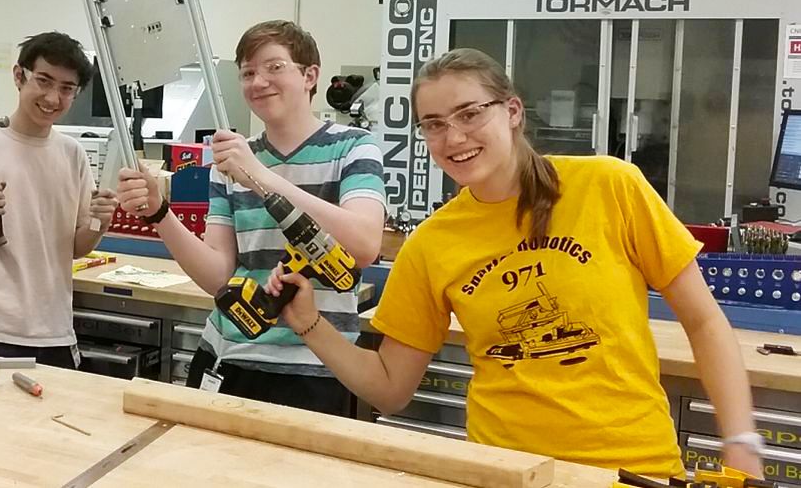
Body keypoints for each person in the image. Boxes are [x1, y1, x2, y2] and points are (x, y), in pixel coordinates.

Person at [267, 48, 763, 477]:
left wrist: (740, 442)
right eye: (434, 125)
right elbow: (392, 389)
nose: (453, 138)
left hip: (634, 468)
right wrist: (310, 323)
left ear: (512, 111)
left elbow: (703, 321)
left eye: (469, 114)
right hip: (506, 473)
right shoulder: (432, 243)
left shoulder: (610, 186)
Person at [117, 20, 386, 416]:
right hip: (227, 358)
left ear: (310, 75)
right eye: (247, 72)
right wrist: (160, 213)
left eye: (274, 67)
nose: (258, 81)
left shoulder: (353, 148)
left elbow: (363, 245)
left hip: (315, 369)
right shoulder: (229, 161)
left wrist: (259, 174)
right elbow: (218, 277)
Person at [0, 31, 117, 368]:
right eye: (43, 81)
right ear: (19, 76)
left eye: (66, 88)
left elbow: (76, 246)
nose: (53, 98)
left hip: (56, 330)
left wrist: (100, 222)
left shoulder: (73, 154)